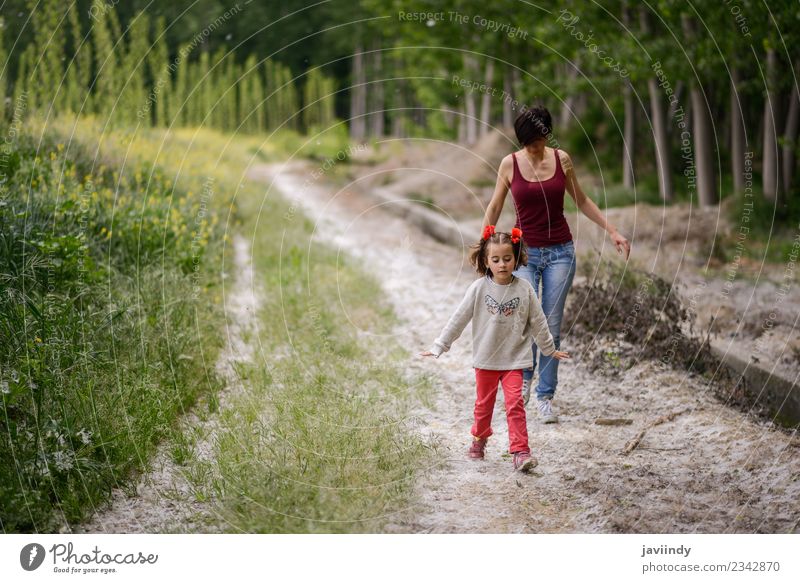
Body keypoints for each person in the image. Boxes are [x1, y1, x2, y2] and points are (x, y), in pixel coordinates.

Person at [483, 105, 631, 423]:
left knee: (550, 327)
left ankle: (545, 396)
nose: (534, 149)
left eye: (537, 142)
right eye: (528, 144)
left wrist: (613, 231)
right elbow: (495, 205)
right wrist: (486, 244)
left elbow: (582, 201)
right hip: (524, 254)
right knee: (524, 321)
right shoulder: (510, 164)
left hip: (561, 253)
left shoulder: (562, 160)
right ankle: (522, 382)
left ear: (546, 135)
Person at [420, 226, 569, 472]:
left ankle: (521, 452)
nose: (502, 264)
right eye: (496, 259)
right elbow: (458, 319)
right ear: (486, 261)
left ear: (517, 258)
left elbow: (539, 321)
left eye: (507, 259)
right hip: (486, 360)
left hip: (515, 360)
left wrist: (549, 349)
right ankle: (479, 439)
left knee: (515, 404)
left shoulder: (524, 289)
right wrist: (439, 346)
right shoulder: (478, 289)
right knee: (483, 405)